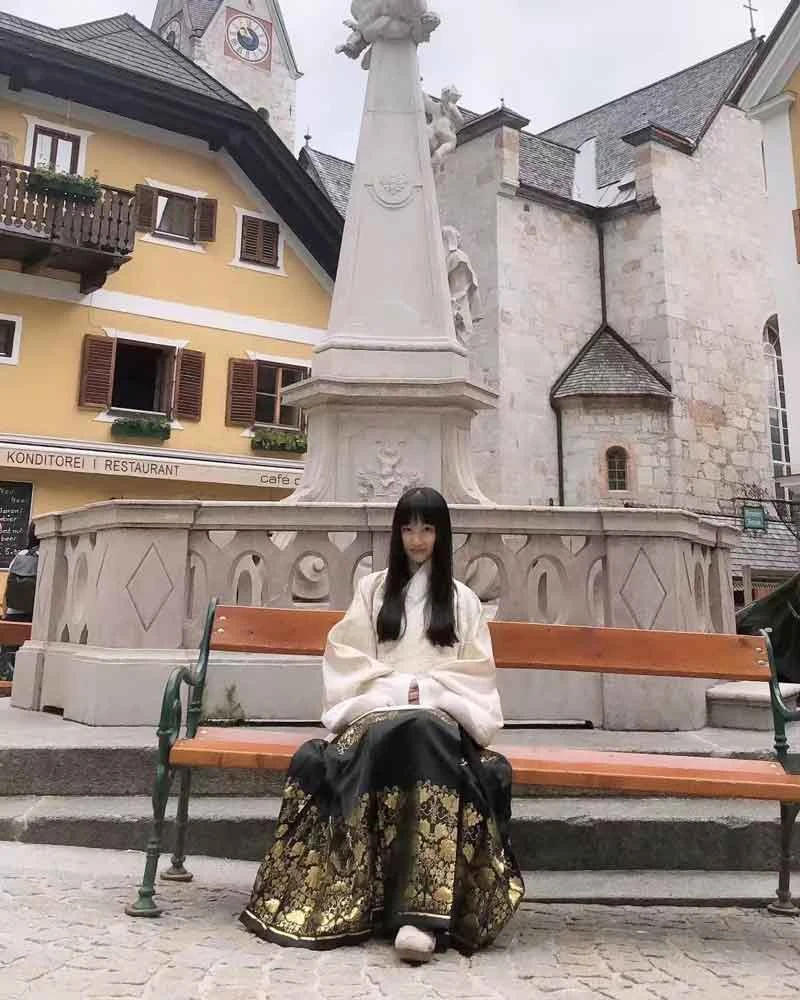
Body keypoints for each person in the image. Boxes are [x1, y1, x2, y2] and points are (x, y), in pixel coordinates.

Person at [241, 487, 523, 961]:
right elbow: (347, 659)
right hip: (375, 714)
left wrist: (428, 693)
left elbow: (476, 671)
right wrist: (397, 691)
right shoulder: (372, 591)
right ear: (396, 533)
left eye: (427, 528)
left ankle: (420, 918)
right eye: (408, 527)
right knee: (413, 729)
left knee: (427, 729)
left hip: (441, 717)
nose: (417, 539)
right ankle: (404, 912)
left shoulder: (463, 601)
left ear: (442, 534)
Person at [0, 524, 39, 681]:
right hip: (31, 617)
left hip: (12, 616)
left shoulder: (20, 555)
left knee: (8, 660)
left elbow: (7, 589)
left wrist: (5, 613)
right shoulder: (48, 555)